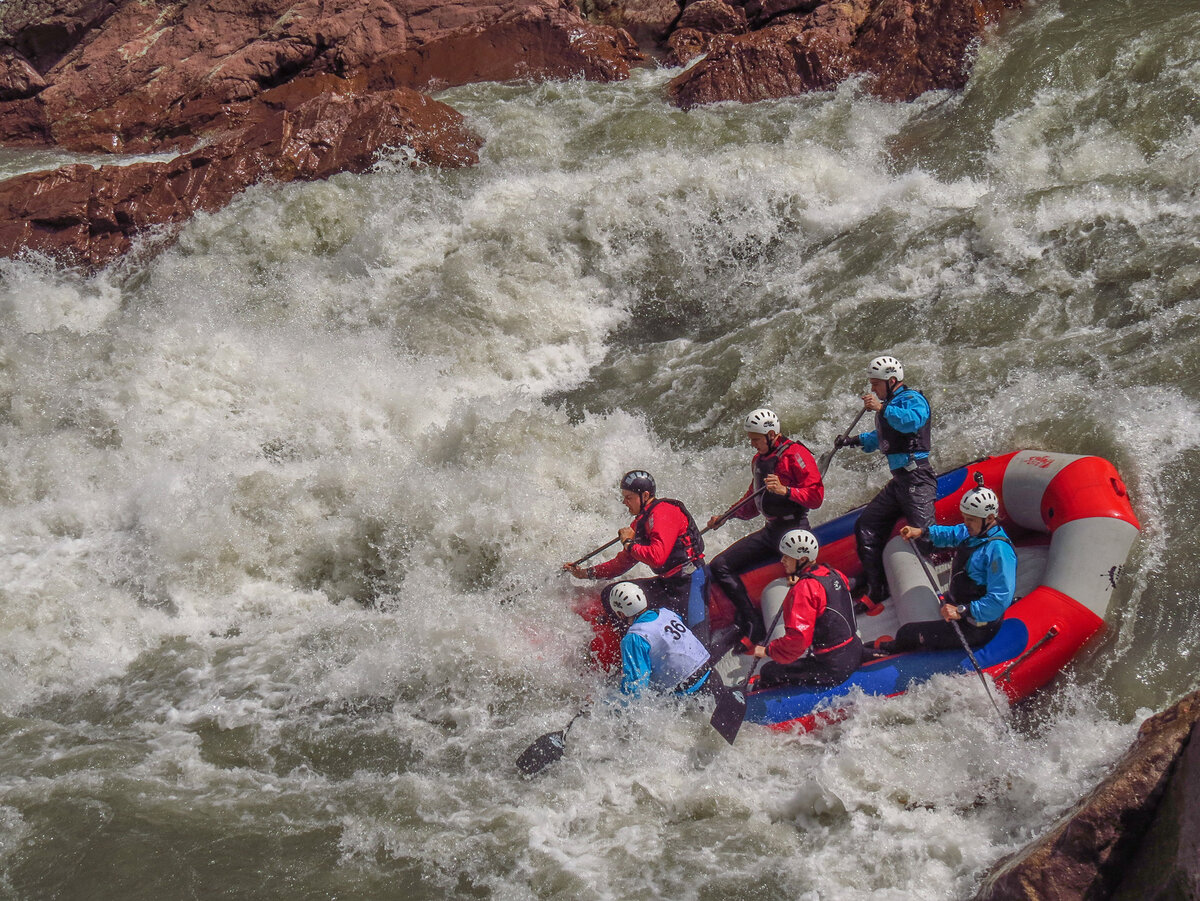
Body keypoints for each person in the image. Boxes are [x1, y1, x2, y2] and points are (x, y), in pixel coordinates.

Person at [707, 408, 824, 643]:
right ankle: (752, 622)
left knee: (800, 578)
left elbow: (816, 496)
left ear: (771, 434)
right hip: (771, 531)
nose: (752, 444)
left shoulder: (796, 455)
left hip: (795, 530)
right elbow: (752, 501)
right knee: (720, 565)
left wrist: (786, 490)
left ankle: (813, 628)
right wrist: (726, 516)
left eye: (756, 439)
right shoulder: (759, 460)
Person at [834, 355, 935, 609]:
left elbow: (911, 421)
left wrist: (881, 408)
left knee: (925, 535)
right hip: (900, 481)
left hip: (918, 478)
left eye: (876, 384)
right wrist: (853, 441)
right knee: (865, 526)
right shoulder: (890, 405)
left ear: (891, 381)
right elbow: (880, 438)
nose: (872, 390)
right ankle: (876, 587)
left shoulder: (912, 400)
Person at [877, 484, 1017, 654]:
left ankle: (885, 654)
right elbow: (951, 534)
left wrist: (962, 611)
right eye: (965, 518)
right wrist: (921, 532)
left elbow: (999, 600)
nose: (966, 523)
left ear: (989, 518)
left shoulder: (999, 552)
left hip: (975, 625)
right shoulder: (974, 532)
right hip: (958, 604)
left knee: (907, 633)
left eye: (970, 519)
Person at [563, 470, 707, 628]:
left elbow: (657, 557)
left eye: (629, 497)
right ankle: (630, 644)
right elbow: (620, 565)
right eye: (624, 497)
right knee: (612, 594)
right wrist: (585, 573)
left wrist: (629, 543)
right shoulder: (640, 524)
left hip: (689, 582)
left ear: (645, 496)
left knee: (698, 637)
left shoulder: (664, 511)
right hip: (667, 583)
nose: (625, 502)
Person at [739, 529, 862, 689]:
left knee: (769, 671)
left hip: (832, 667)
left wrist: (768, 651)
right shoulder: (833, 573)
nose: (782, 560)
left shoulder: (804, 589)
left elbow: (798, 641)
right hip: (854, 649)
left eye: (787, 557)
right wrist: (801, 580)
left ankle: (758, 692)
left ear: (803, 559)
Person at [608, 582, 715, 698]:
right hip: (710, 673)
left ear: (620, 613)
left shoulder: (634, 637)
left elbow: (635, 688)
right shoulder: (666, 613)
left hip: (689, 691)